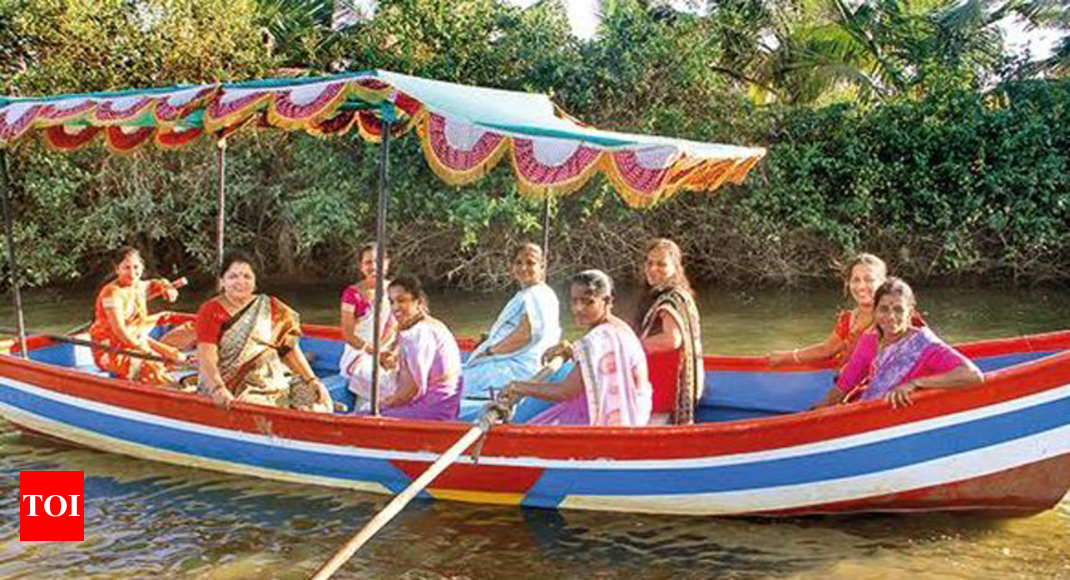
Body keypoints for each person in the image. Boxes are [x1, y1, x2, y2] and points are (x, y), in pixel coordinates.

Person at [503, 270, 652, 427]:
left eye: (588, 302)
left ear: (607, 301)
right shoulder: (618, 326)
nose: (578, 308)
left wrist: (517, 387)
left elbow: (565, 392)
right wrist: (571, 350)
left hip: (620, 421)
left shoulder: (597, 339)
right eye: (574, 301)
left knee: (540, 421)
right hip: (638, 412)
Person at [815, 277, 984, 409]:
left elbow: (973, 376)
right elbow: (843, 387)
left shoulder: (925, 345)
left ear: (910, 312)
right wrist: (815, 414)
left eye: (898, 309)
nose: (890, 316)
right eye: (883, 309)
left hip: (897, 418)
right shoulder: (869, 341)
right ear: (874, 311)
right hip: (867, 410)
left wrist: (915, 384)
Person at [195, 251, 331, 413]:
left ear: (255, 282)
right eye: (233, 276)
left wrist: (312, 380)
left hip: (274, 378)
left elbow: (289, 350)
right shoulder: (211, 310)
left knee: (318, 398)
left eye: (247, 276)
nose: (240, 282)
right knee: (258, 408)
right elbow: (206, 355)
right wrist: (217, 388)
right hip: (231, 384)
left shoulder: (270, 306)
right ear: (222, 281)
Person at [462, 243, 561, 398]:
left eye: (530, 263)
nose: (523, 268)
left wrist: (490, 351)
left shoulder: (535, 296)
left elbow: (525, 334)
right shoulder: (540, 293)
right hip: (522, 362)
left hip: (519, 367)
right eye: (518, 262)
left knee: (457, 381)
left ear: (542, 266)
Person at [768, 253, 894, 368]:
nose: (861, 286)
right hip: (844, 385)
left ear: (883, 283)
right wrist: (787, 357)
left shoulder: (899, 318)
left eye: (869, 279)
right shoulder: (848, 319)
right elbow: (827, 349)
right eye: (855, 280)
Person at [88, 246, 187, 385]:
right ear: (117, 269)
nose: (133, 273)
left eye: (136, 267)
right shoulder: (111, 293)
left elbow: (155, 283)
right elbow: (119, 331)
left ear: (142, 266)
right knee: (152, 365)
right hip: (110, 349)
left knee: (177, 357)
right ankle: (173, 391)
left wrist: (166, 287)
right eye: (126, 268)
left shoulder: (140, 286)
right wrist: (145, 351)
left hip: (137, 338)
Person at [634, 238, 704, 425]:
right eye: (649, 263)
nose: (653, 268)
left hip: (666, 388)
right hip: (666, 384)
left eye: (661, 264)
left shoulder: (671, 299)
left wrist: (629, 346)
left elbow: (672, 340)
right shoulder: (676, 294)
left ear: (675, 267)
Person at [374, 275, 463, 421]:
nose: (395, 307)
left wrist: (382, 405)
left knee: (364, 414)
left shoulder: (418, 333)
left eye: (401, 300)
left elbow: (411, 390)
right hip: (448, 406)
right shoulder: (429, 324)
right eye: (392, 302)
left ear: (417, 301)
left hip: (434, 409)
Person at [338, 243, 397, 405]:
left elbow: (397, 328)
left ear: (387, 263)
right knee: (383, 382)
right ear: (361, 266)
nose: (373, 266)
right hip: (358, 355)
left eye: (378, 261)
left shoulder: (394, 290)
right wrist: (376, 353)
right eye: (368, 262)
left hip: (386, 351)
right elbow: (348, 336)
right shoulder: (352, 294)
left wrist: (393, 354)